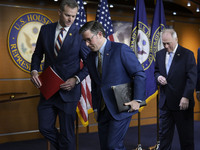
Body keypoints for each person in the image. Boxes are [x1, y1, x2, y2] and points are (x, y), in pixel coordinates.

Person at [30, 0, 89, 149]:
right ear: (59, 12)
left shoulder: (81, 34)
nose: (71, 19)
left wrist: (76, 79)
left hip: (68, 91)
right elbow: (37, 55)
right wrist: (34, 70)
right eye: (68, 15)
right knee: (44, 127)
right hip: (48, 89)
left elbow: (89, 64)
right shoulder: (45, 30)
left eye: (74, 16)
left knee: (67, 134)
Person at [79, 21, 146, 150]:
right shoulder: (90, 57)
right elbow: (95, 84)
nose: (87, 44)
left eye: (88, 40)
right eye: (84, 41)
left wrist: (137, 100)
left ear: (99, 34)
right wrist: (96, 108)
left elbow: (139, 74)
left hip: (121, 107)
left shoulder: (121, 49)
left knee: (113, 146)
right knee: (105, 147)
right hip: (103, 110)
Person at [154, 29, 197, 150]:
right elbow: (156, 71)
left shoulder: (187, 54)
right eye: (164, 43)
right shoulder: (160, 54)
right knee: (164, 139)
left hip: (182, 103)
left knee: (186, 139)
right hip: (165, 103)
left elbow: (192, 78)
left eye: (168, 43)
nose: (166, 46)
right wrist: (159, 77)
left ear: (176, 40)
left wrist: (186, 96)